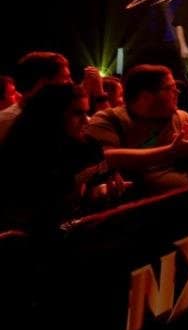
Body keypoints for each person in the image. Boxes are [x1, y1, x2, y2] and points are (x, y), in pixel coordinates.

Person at [87, 65, 188, 195]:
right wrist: (171, 151)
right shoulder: (109, 119)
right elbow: (105, 157)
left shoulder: (181, 117)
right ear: (146, 96)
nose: (177, 92)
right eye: (170, 88)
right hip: (138, 208)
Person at [0, 84, 128, 230]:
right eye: (77, 113)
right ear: (52, 115)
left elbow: (99, 184)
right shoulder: (23, 152)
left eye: (86, 112)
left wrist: (106, 187)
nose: (86, 121)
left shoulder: (88, 144)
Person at [0, 51, 72, 145]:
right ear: (42, 84)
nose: (71, 83)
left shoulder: (64, 116)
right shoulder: (5, 123)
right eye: (66, 78)